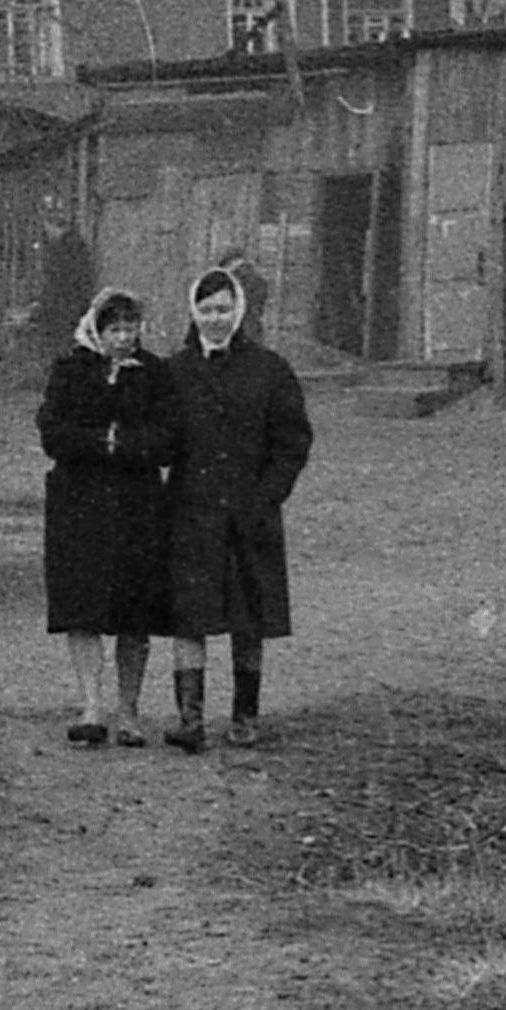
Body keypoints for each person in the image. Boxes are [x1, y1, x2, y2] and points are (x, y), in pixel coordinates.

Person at [161, 261, 313, 749]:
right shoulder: (174, 372)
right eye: (206, 310)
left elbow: (292, 442)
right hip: (192, 512)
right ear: (193, 313)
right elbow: (159, 438)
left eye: (224, 309)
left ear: (240, 310)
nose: (215, 319)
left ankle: (245, 715)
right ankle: (190, 718)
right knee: (190, 614)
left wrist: (266, 495)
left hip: (251, 513)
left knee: (250, 616)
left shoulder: (270, 371)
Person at [36, 286, 175, 745]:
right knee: (84, 605)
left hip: (137, 505)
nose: (122, 338)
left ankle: (129, 712)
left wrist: (126, 444)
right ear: (97, 328)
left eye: (130, 329)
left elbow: (167, 437)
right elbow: (53, 432)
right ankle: (92, 705)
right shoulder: (70, 370)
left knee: (135, 609)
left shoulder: (154, 374)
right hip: (81, 503)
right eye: (114, 329)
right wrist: (104, 443)